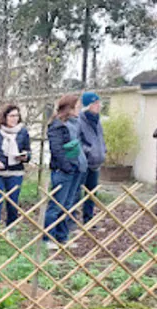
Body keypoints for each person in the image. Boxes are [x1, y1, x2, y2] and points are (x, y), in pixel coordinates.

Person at [0, 104, 31, 242]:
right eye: (12, 116)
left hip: (15, 173)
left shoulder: (23, 132)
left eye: (17, 115)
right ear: (5, 117)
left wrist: (25, 157)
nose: (15, 119)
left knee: (13, 205)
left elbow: (28, 150)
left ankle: (11, 232)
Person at [43, 95, 88, 249]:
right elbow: (57, 150)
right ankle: (48, 238)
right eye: (78, 106)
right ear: (69, 108)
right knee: (57, 205)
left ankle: (62, 237)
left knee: (68, 206)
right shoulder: (57, 126)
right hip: (64, 171)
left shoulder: (75, 124)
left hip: (76, 169)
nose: (80, 109)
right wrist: (67, 167)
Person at [76, 92, 107, 226]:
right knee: (76, 193)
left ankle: (88, 220)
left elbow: (100, 138)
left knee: (92, 193)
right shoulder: (79, 121)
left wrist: (102, 150)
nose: (99, 106)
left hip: (95, 164)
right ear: (88, 106)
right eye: (95, 103)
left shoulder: (97, 120)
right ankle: (71, 221)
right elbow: (77, 142)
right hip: (84, 163)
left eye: (99, 103)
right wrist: (89, 152)